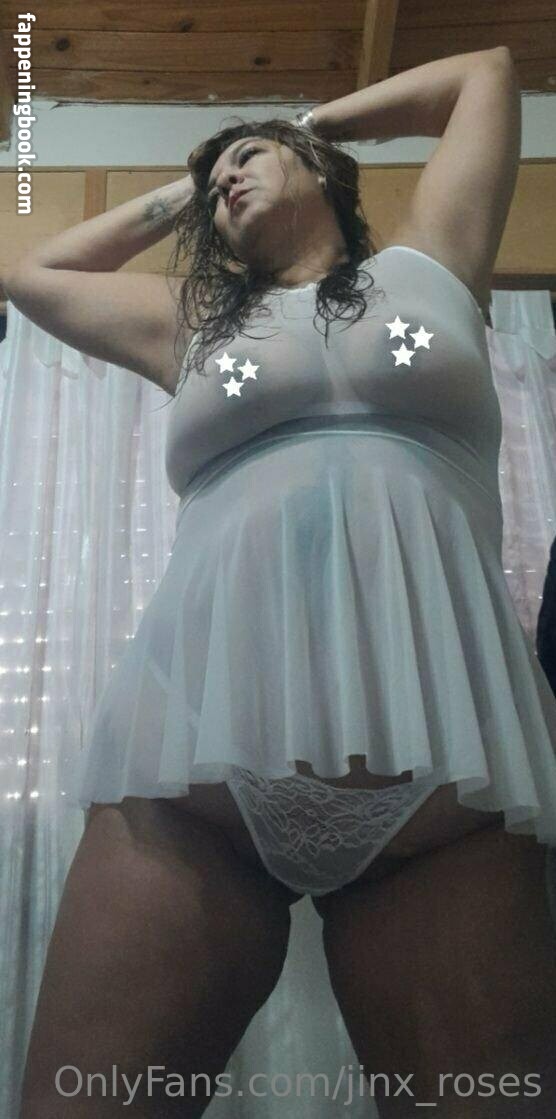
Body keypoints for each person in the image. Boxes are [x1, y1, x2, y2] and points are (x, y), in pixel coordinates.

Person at [7, 48, 556, 1119]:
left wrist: (307, 124)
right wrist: (196, 180)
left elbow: (484, 77)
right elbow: (33, 276)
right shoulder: (196, 325)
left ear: (320, 170)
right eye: (215, 181)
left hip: (444, 777)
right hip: (198, 773)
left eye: (249, 161)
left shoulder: (433, 266)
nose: (226, 181)